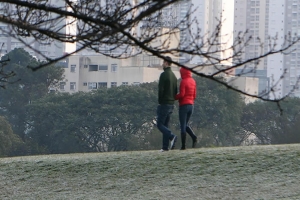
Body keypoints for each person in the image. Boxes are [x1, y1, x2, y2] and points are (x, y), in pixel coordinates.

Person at [156, 56, 178, 152]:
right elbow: (175, 91)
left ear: (166, 63)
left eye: (163, 62)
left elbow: (161, 90)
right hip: (171, 103)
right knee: (165, 125)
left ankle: (171, 136)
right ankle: (165, 147)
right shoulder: (174, 76)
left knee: (160, 124)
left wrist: (160, 101)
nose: (162, 64)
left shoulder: (164, 75)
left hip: (164, 103)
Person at [175, 67, 197, 150]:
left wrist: (174, 97)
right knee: (185, 124)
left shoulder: (183, 81)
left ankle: (183, 145)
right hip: (191, 106)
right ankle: (194, 137)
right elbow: (194, 95)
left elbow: (182, 94)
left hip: (183, 105)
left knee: (183, 125)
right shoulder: (193, 81)